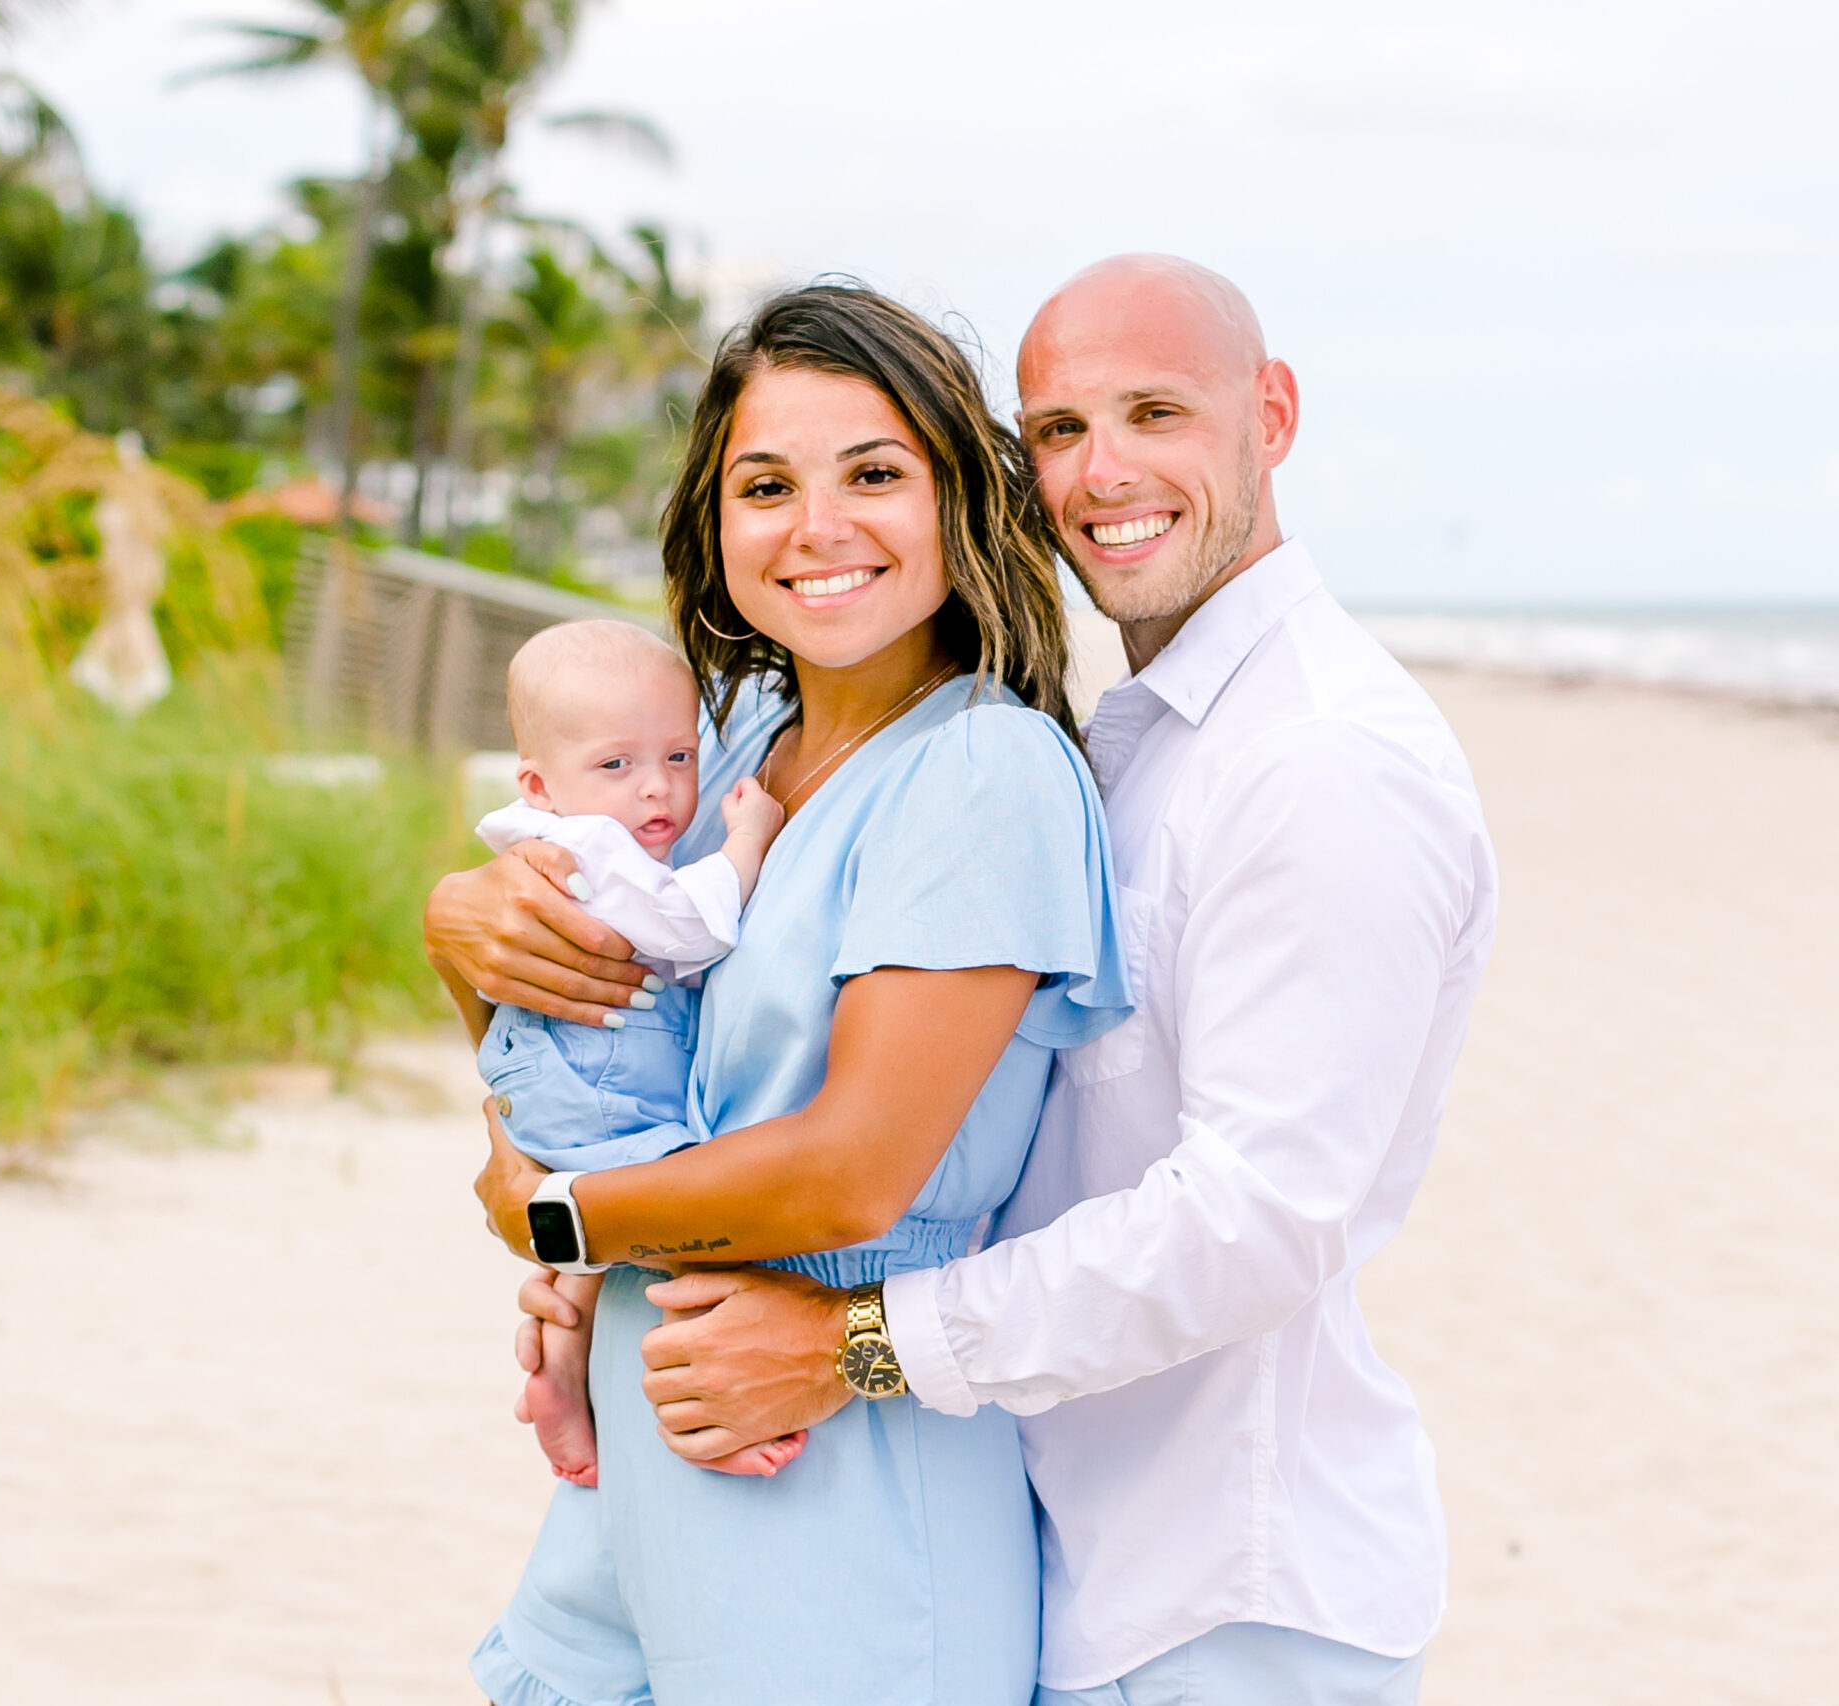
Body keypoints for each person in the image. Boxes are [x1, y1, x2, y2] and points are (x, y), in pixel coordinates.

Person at [597, 256, 1501, 1706]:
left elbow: (1257, 1217)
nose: (1104, 471)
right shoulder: (1132, 739)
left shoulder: (1319, 761)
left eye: (1157, 412)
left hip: (1231, 1594)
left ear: (1271, 415)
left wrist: (857, 1345)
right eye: (1062, 430)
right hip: (1059, 1552)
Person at [424, 283, 1129, 1706]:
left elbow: (852, 1175)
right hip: (648, 1430)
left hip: (831, 1455)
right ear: (715, 517)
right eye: (767, 483)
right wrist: (464, 942)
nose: (818, 525)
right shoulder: (725, 737)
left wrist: (549, 1215)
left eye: (874, 473)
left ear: (959, 501)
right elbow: (594, 1017)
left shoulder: (982, 774)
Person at [469, 617, 793, 1487]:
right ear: (540, 783)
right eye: (617, 766)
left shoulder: (560, 827)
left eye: (679, 759)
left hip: (560, 1068)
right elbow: (686, 927)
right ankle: (711, 1405)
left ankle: (561, 1364)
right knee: (688, 1219)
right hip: (598, 1071)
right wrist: (747, 843)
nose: (656, 790)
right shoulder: (590, 847)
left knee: (590, 1243)